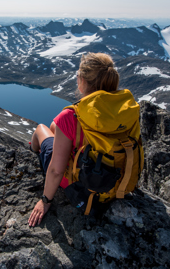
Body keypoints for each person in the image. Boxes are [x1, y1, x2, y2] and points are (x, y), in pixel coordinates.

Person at [28, 52, 119, 227]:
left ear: (83, 81)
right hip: (114, 179)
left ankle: (34, 149)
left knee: (41, 128)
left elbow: (56, 171)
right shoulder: (124, 109)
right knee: (56, 127)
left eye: (78, 76)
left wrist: (45, 200)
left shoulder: (71, 116)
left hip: (81, 182)